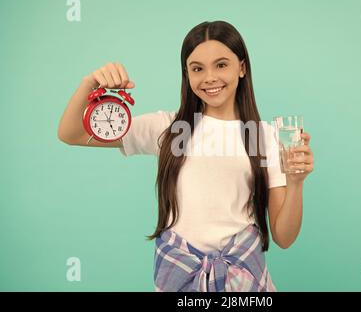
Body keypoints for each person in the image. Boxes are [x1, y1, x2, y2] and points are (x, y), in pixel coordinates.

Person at [57, 20, 314, 292]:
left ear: (242, 67)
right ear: (186, 74)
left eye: (222, 64)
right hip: (180, 277)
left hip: (244, 281)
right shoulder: (168, 129)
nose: (209, 77)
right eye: (197, 68)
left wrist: (296, 182)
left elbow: (284, 237)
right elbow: (71, 133)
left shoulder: (265, 136)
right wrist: (90, 83)